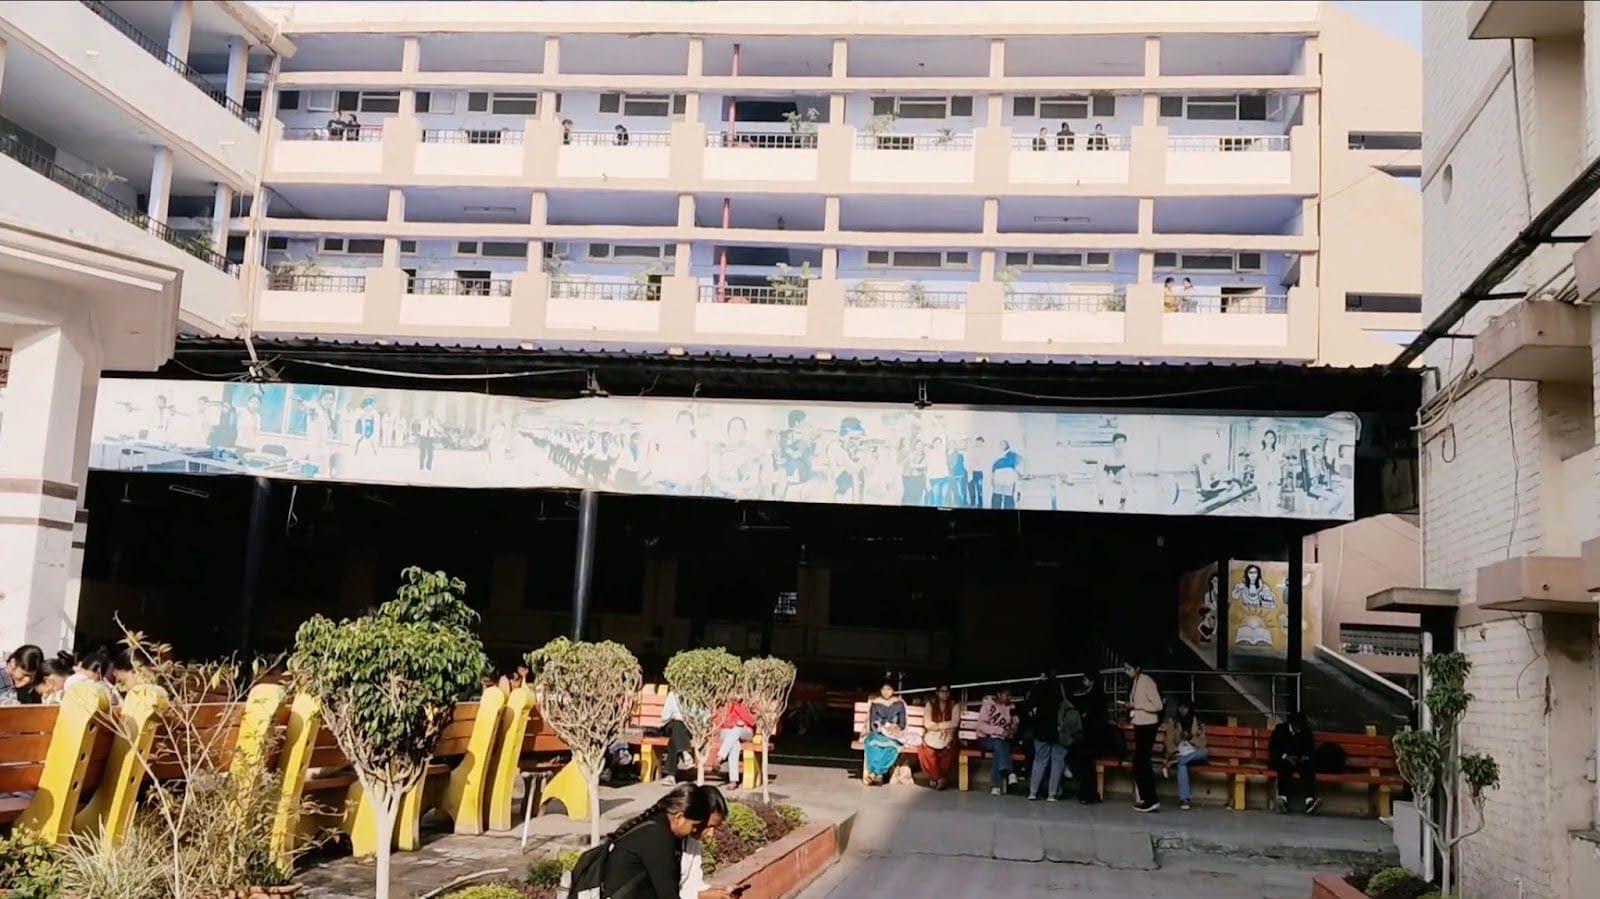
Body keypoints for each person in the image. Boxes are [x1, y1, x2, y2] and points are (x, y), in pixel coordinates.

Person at [599, 783, 736, 899]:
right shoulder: (658, 837)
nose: (696, 830)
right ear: (680, 817)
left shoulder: (665, 831)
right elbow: (668, 894)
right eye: (697, 825)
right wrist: (701, 895)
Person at [1125, 661, 1163, 812]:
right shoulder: (1135, 682)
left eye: (1129, 668)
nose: (1127, 671)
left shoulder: (1147, 681)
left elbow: (1158, 705)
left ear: (1138, 668)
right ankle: (1146, 797)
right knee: (1140, 762)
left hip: (1148, 725)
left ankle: (1151, 798)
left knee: (1142, 761)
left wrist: (1137, 706)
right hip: (1139, 724)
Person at [1026, 671, 1069, 802]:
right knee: (1057, 761)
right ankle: (1052, 794)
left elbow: (1029, 705)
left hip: (1041, 729)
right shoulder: (1061, 686)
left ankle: (1033, 792)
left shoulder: (1038, 687)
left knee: (1039, 760)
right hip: (1059, 729)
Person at [1269, 711, 1320, 814]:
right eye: (1298, 726)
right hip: (1283, 758)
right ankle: (1283, 800)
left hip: (1299, 760)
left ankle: (1309, 801)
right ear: (1292, 724)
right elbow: (1273, 748)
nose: (1299, 729)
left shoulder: (1305, 731)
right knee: (1283, 768)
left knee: (1308, 768)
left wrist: (1304, 757)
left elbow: (1310, 749)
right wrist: (1286, 756)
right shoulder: (1280, 729)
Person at [1162, 700, 1208, 810]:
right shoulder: (1173, 722)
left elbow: (1203, 743)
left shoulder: (1198, 723)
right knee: (1182, 765)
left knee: (1205, 752)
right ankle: (1185, 799)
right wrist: (1175, 753)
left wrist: (1191, 738)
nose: (1183, 710)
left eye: (1185, 708)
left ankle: (1177, 761)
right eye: (1181, 707)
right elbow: (1169, 741)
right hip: (1180, 753)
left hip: (1194, 752)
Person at [975, 688, 1019, 796]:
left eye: (1010, 695)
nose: (1009, 698)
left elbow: (1014, 724)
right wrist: (1000, 731)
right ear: (998, 695)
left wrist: (1013, 728)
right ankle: (1009, 771)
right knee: (999, 744)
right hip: (986, 739)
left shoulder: (1011, 708)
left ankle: (996, 787)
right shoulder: (987, 706)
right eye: (1006, 695)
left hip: (1003, 741)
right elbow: (981, 726)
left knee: (998, 750)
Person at [863, 682, 908, 786]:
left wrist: (894, 728)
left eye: (889, 689)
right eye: (884, 689)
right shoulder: (875, 704)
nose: (886, 692)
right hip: (879, 732)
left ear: (893, 690)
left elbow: (902, 724)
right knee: (873, 745)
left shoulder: (899, 704)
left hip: (893, 735)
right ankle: (877, 774)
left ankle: (876, 773)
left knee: (892, 748)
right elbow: (872, 723)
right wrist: (882, 729)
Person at [1068, 675, 1104, 803]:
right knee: (1088, 766)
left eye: (1086, 679)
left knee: (1086, 765)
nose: (1083, 682)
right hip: (1091, 737)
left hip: (1089, 737)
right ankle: (1089, 793)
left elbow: (1089, 716)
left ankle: (1087, 794)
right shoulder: (1097, 696)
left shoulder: (1092, 697)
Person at [918, 685, 960, 790]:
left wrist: (938, 726)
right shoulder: (930, 704)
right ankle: (940, 778)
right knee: (924, 748)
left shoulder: (954, 705)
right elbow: (927, 723)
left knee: (949, 749)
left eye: (947, 691)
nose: (946, 694)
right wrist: (937, 728)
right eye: (943, 691)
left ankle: (935, 778)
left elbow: (954, 723)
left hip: (948, 734)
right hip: (932, 733)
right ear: (937, 692)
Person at [715, 697, 756, 787]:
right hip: (727, 733)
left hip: (744, 732)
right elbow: (719, 722)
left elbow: (752, 722)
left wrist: (737, 708)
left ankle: (720, 757)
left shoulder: (746, 704)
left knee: (737, 730)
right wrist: (733, 724)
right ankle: (733, 781)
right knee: (735, 744)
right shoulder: (723, 705)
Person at [658, 689, 696, 780]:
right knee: (677, 724)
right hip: (670, 725)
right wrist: (675, 717)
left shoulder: (695, 695)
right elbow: (664, 716)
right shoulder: (672, 695)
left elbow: (697, 717)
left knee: (674, 739)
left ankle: (670, 776)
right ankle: (686, 753)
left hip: (686, 728)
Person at [990, 440, 1021, 509]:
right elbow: (993, 468)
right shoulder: (996, 455)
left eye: (1003, 444)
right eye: (1000, 444)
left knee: (1008, 498)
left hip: (1008, 479)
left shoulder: (1012, 454)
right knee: (996, 497)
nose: (1001, 445)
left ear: (1007, 445)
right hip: (998, 478)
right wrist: (992, 478)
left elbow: (1014, 463)